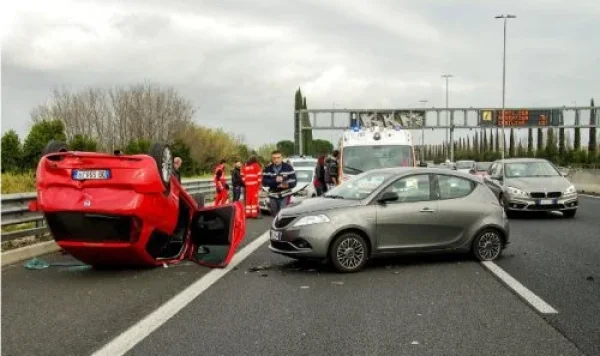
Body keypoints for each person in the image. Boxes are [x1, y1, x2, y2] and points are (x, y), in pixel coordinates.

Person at [262, 150, 296, 216]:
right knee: (274, 214)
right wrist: (275, 181)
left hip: (285, 195)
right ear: (272, 159)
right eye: (274, 158)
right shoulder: (268, 169)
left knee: (283, 213)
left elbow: (294, 181)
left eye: (278, 157)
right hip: (273, 195)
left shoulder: (288, 167)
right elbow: (264, 182)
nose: (276, 160)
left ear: (281, 158)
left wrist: (286, 184)